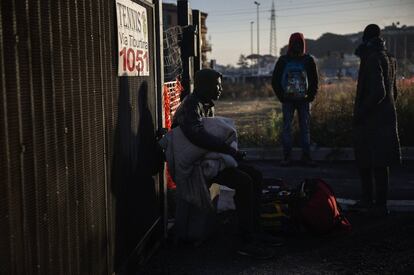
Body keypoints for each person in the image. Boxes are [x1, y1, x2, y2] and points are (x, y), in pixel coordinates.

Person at [172, 68, 282, 259]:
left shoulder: (206, 103)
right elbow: (197, 137)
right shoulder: (191, 106)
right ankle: (246, 241)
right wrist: (229, 150)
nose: (221, 89)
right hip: (196, 166)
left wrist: (230, 151)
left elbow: (211, 136)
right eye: (218, 85)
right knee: (244, 181)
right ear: (203, 86)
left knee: (255, 175)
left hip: (209, 159)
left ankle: (255, 231)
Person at [352, 24, 401, 216]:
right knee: (381, 163)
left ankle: (367, 201)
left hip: (371, 120)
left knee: (365, 159)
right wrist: (387, 109)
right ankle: (381, 204)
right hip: (387, 117)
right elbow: (393, 91)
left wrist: (362, 112)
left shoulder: (371, 58)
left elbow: (378, 92)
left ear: (365, 38)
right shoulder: (389, 57)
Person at [271, 32, 319, 167]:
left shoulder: (283, 60)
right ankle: (307, 157)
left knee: (287, 128)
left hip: (288, 99)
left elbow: (274, 81)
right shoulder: (308, 60)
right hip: (304, 99)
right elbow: (315, 81)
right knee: (305, 128)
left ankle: (287, 157)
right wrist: (310, 96)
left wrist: (282, 97)